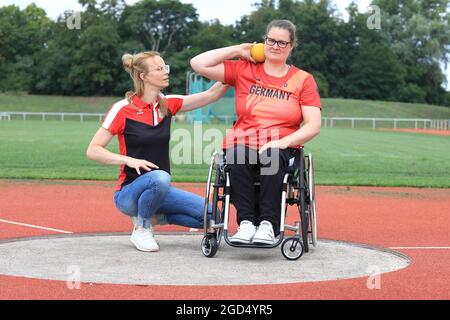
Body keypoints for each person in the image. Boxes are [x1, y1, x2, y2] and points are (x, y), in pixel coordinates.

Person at [190, 19, 322, 245]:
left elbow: (313, 124)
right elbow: (197, 63)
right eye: (271, 40)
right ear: (264, 41)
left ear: (292, 46)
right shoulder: (243, 69)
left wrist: (283, 142)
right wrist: (237, 50)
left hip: (281, 145)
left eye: (282, 42)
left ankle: (268, 225)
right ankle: (246, 224)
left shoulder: (303, 79)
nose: (275, 46)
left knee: (270, 156)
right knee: (237, 155)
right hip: (244, 140)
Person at [87, 51, 229, 252]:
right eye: (159, 69)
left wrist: (237, 69)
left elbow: (211, 94)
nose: (165, 72)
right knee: (161, 177)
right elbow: (93, 150)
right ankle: (142, 228)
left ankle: (155, 218)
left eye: (165, 67)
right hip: (129, 193)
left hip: (161, 190)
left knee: (214, 216)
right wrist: (128, 160)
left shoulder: (168, 104)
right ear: (143, 76)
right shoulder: (122, 109)